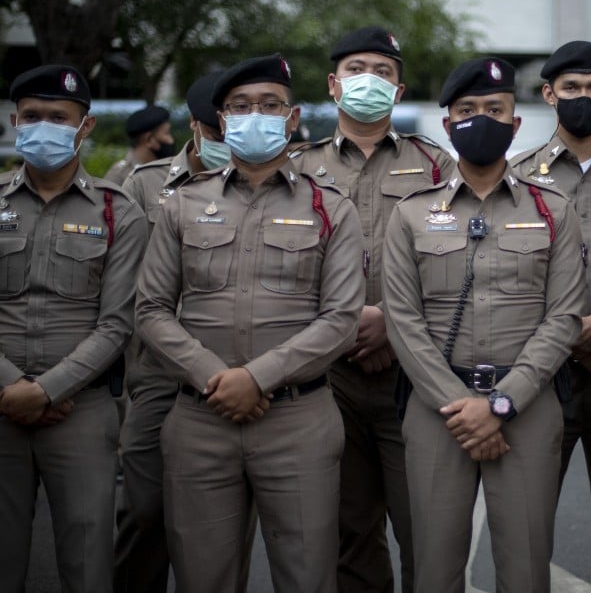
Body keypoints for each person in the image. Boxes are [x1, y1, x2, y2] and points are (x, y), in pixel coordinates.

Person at [134, 54, 365, 593]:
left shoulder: (331, 207)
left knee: (308, 576)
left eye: (269, 105)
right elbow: (150, 310)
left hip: (298, 421)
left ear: (292, 117)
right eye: (240, 107)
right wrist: (214, 377)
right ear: (221, 117)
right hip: (199, 420)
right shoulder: (183, 204)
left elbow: (341, 318)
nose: (254, 116)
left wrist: (256, 378)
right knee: (203, 577)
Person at [382, 56, 585, 592]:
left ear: (516, 125)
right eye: (467, 110)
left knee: (524, 569)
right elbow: (402, 321)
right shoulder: (410, 213)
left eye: (495, 109)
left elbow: (563, 316)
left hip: (528, 407)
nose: (481, 119)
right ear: (447, 125)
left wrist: (501, 404)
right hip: (436, 409)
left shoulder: (552, 211)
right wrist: (461, 406)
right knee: (433, 568)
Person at [289, 25, 454, 593]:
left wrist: (389, 320)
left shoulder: (438, 167)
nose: (369, 81)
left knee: (426, 530)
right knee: (348, 532)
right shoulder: (296, 168)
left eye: (383, 72)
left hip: (415, 375)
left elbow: (458, 265)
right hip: (324, 377)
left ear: (400, 91)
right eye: (357, 70)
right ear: (333, 86)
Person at [0, 64, 147, 593]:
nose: (44, 126)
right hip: (0, 404)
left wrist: (45, 391)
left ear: (84, 128)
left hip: (81, 411)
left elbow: (118, 323)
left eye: (58, 117)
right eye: (32, 116)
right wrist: (10, 388)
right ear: (15, 122)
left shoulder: (117, 212)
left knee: (87, 563)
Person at [114, 71, 254, 593]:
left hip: (234, 377)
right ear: (194, 128)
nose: (229, 145)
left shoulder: (261, 184)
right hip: (158, 375)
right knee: (144, 512)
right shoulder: (145, 184)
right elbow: (128, 288)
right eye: (217, 135)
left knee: (227, 526)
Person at [509, 39, 591, 593]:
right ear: (549, 95)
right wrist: (571, 337)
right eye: (572, 88)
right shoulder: (514, 177)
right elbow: (507, 276)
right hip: (541, 378)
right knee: (524, 537)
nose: (584, 97)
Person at [105, 104, 175, 185]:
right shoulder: (120, 175)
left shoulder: (168, 170)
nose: (171, 140)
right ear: (149, 139)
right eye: (167, 133)